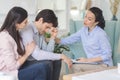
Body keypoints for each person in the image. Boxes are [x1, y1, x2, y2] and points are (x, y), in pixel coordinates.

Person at [20, 9, 72, 80]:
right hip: (25, 62)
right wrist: (61, 55)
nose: (47, 30)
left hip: (34, 61)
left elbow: (48, 53)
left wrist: (52, 38)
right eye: (47, 27)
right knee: (47, 64)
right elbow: (37, 55)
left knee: (57, 61)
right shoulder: (28, 30)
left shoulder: (40, 32)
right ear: (41, 20)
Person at [56, 7, 113, 73]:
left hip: (104, 65)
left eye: (89, 19)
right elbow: (71, 39)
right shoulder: (84, 30)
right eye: (85, 17)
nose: (85, 20)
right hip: (92, 64)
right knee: (72, 64)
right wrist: (55, 39)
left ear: (96, 22)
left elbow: (108, 54)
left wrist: (87, 60)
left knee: (76, 67)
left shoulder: (101, 34)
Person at [0, 6, 50, 80]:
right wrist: (27, 54)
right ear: (17, 23)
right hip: (9, 73)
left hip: (18, 67)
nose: (27, 24)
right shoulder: (5, 38)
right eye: (25, 22)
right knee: (41, 68)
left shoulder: (15, 34)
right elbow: (12, 67)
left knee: (46, 64)